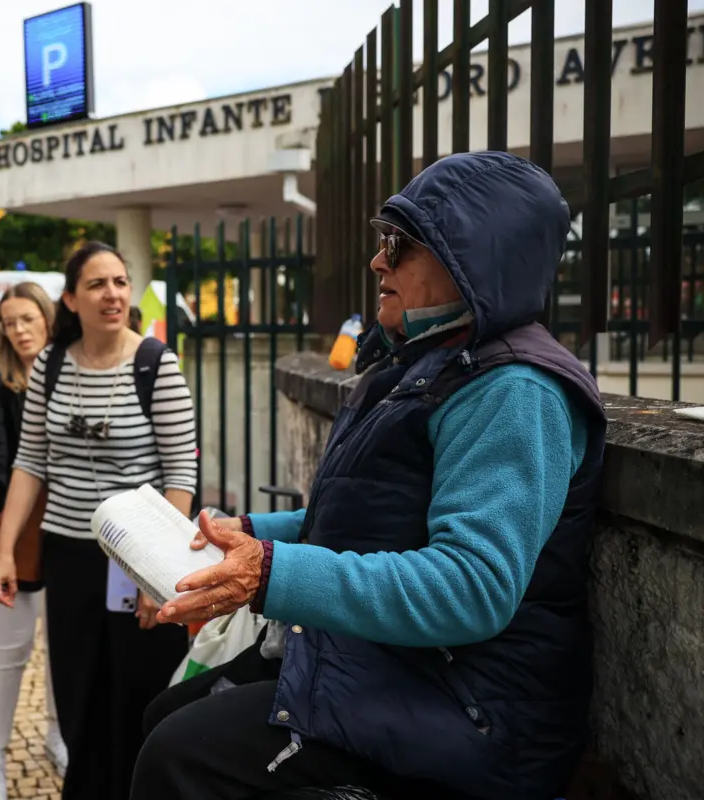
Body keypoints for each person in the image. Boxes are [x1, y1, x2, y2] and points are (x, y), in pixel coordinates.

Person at [132, 152, 607, 800]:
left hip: (471, 712)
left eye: (401, 244)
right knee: (165, 716)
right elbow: (359, 522)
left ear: (474, 255)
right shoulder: (424, 366)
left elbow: (472, 586)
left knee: (177, 759)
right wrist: (236, 535)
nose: (378, 261)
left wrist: (267, 572)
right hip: (394, 669)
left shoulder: (512, 389)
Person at [0, 241, 198, 800]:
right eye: (98, 284)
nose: (113, 294)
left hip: (138, 560)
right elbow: (29, 461)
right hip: (70, 552)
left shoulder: (157, 363)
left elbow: (181, 473)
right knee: (79, 687)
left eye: (121, 282)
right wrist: (5, 550)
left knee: (141, 687)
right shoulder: (52, 364)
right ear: (72, 298)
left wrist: (161, 571)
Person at [0, 281, 68, 798]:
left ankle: (57, 733)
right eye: (10, 322)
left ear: (48, 319)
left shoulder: (74, 372)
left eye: (28, 318)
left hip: (73, 527)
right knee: (8, 651)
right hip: (16, 532)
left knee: (65, 649)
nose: (19, 330)